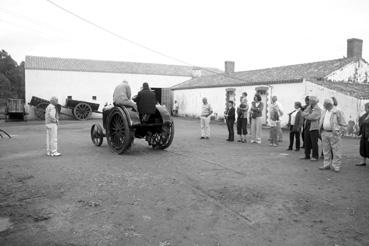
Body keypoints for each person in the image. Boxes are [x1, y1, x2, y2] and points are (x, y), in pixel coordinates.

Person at [318, 98, 347, 172]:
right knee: (326, 150)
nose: (323, 106)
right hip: (324, 132)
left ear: (329, 104)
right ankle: (326, 164)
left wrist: (339, 132)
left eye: (324, 104)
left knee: (336, 150)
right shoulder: (324, 111)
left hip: (334, 133)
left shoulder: (337, 111)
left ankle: (336, 166)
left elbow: (343, 124)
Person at [301, 96, 321, 161]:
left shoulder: (317, 108)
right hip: (307, 126)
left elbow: (313, 117)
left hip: (314, 128)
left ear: (313, 101)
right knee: (306, 141)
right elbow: (302, 114)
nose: (308, 101)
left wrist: (307, 115)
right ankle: (307, 155)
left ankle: (315, 156)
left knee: (314, 142)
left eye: (309, 100)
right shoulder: (309, 107)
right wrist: (308, 115)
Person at [357, 102, 369, 167]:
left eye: (366, 107)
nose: (365, 109)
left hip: (368, 135)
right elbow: (361, 121)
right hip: (364, 134)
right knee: (363, 148)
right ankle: (363, 161)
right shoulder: (365, 115)